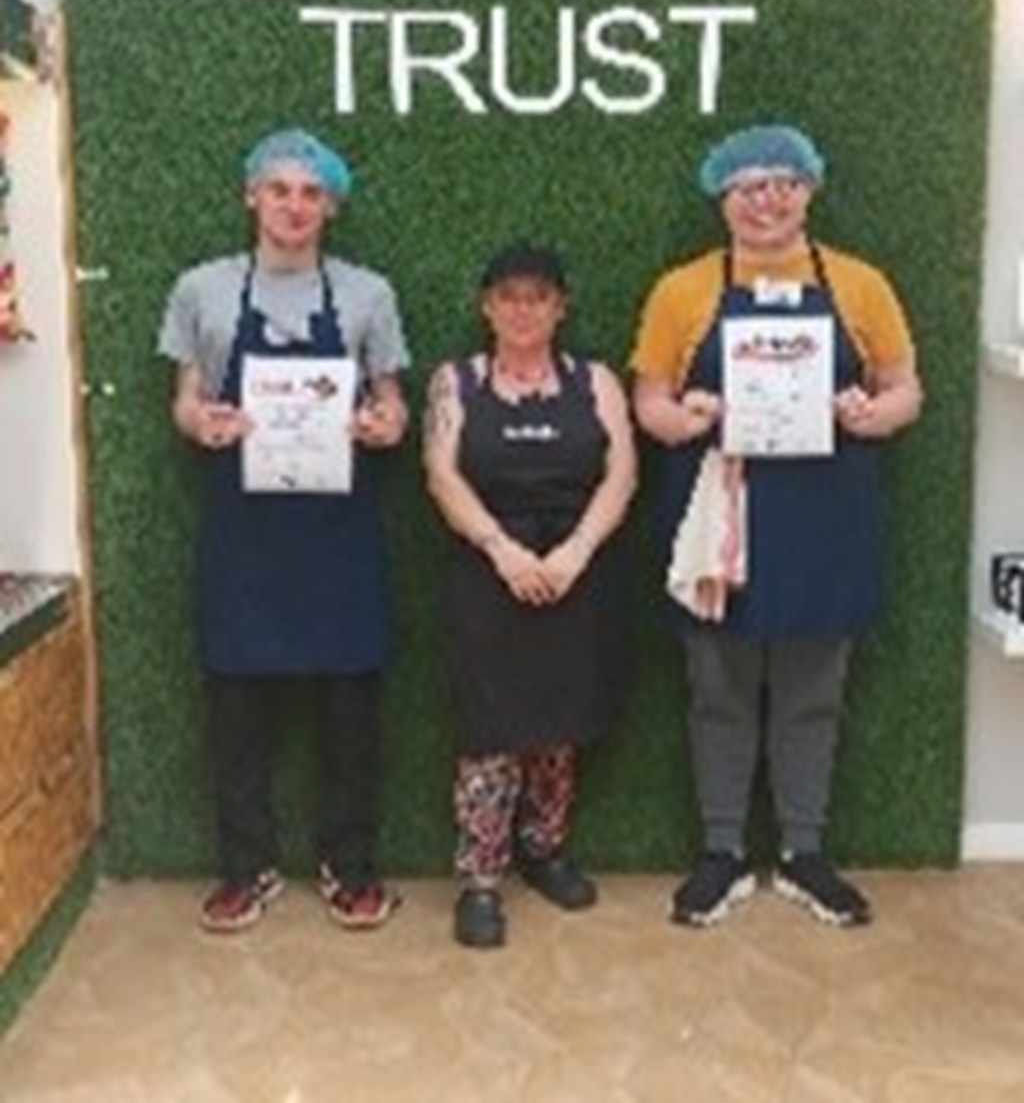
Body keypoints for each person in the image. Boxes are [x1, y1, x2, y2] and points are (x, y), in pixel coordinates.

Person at [630, 124, 923, 929]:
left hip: (827, 516)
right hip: (719, 513)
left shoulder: (860, 285)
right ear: (722, 198)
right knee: (716, 688)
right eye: (749, 187)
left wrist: (872, 414)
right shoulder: (682, 291)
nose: (767, 201)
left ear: (810, 190)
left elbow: (906, 388)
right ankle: (721, 851)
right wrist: (683, 417)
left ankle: (803, 851)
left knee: (813, 691)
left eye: (784, 184)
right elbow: (648, 400)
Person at [158, 128, 410, 933]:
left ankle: (351, 867)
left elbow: (393, 404)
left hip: (339, 537)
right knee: (236, 708)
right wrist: (202, 422)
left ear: (330, 207)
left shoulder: (368, 294)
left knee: (350, 713)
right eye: (279, 190)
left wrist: (383, 424)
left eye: (311, 193)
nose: (295, 206)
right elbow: (186, 399)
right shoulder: (201, 289)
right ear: (251, 196)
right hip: (243, 535)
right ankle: (246, 869)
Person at [423, 241, 636, 949]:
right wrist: (501, 549)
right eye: (509, 297)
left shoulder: (596, 381)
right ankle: (480, 877)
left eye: (538, 297)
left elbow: (621, 473)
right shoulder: (455, 382)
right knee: (488, 725)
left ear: (560, 307)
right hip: (488, 568)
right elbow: (442, 474)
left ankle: (543, 850)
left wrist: (576, 551)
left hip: (578, 566)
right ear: (487, 307)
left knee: (558, 719)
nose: (523, 310)